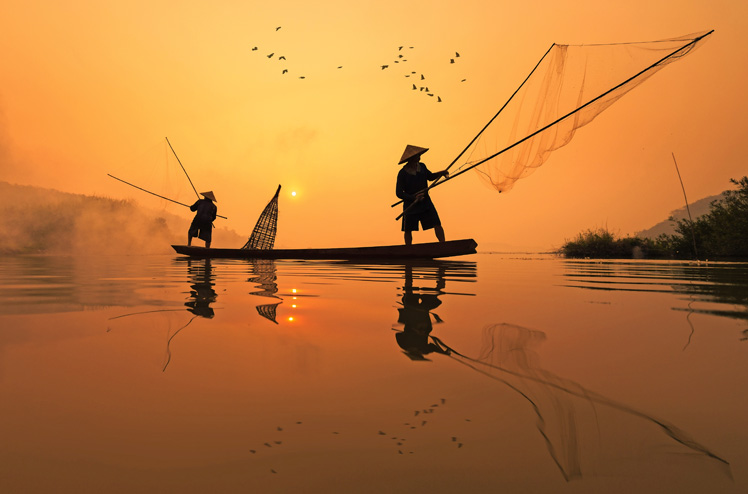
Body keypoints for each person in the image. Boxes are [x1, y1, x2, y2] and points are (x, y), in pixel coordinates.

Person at [395, 145, 449, 245]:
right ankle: (408, 249)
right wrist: (413, 197)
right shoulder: (402, 173)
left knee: (436, 223)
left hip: (425, 201)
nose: (419, 157)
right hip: (411, 204)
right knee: (408, 229)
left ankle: (443, 244)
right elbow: (399, 193)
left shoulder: (422, 167)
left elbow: (430, 177)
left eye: (419, 155)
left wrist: (442, 173)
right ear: (410, 158)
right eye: (417, 155)